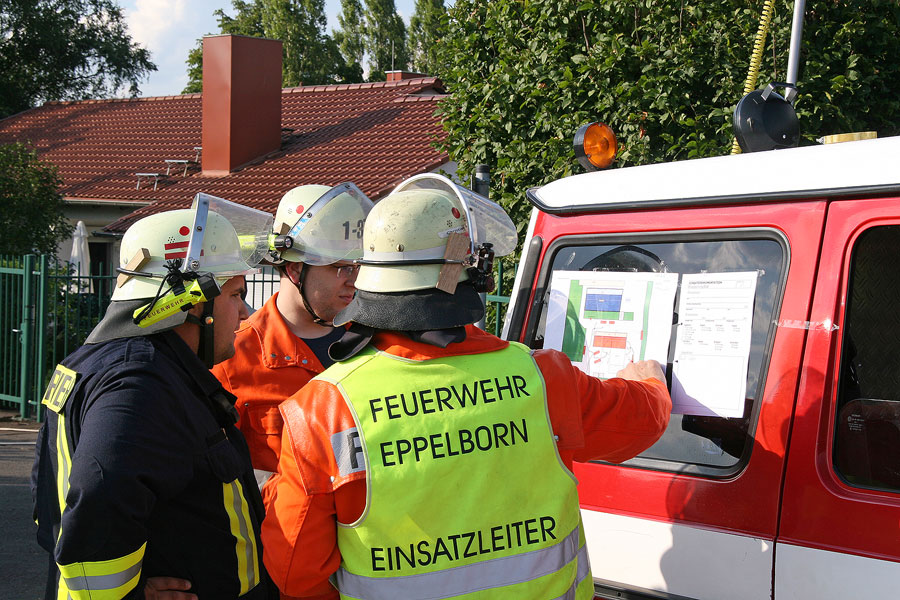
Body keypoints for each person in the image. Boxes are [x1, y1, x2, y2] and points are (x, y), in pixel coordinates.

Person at [260, 175, 672, 599]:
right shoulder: (543, 378)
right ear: (464, 273)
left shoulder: (322, 409)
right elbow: (641, 420)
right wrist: (649, 380)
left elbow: (295, 571)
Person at [31, 196, 279, 600]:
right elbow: (98, 499)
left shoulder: (112, 365)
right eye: (236, 294)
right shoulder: (139, 384)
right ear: (191, 303)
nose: (245, 312)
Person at [212, 183, 373, 487]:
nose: (354, 281)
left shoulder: (376, 344)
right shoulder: (233, 357)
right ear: (296, 269)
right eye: (341, 268)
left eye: (358, 266)